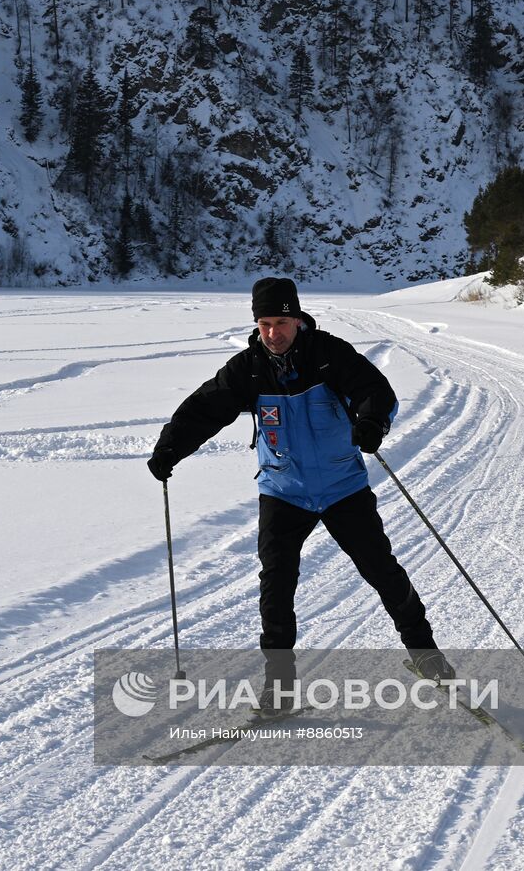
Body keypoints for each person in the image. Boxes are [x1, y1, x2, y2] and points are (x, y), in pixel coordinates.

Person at [147, 277, 452, 715]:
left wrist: (371, 423)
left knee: (381, 571)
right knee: (276, 588)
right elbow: (204, 408)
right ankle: (280, 687)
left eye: (282, 321)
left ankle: (429, 658)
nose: (274, 332)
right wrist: (170, 447)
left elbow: (375, 391)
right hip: (282, 490)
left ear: (298, 318)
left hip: (341, 487)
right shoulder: (247, 369)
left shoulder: (328, 354)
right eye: (265, 323)